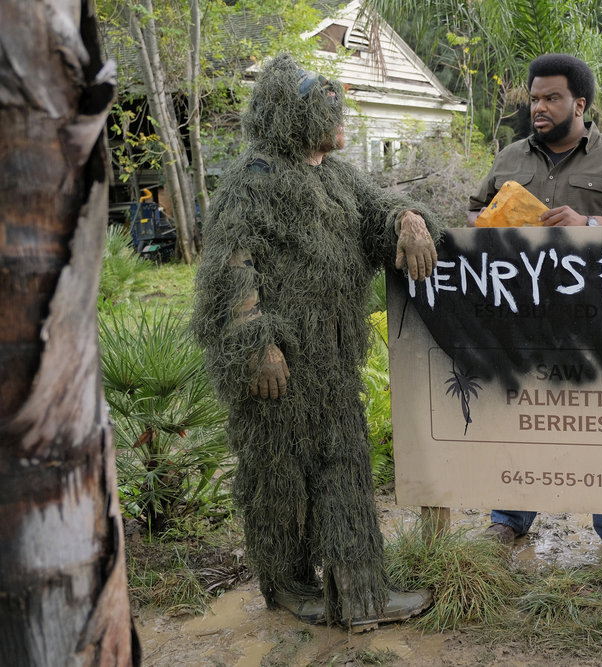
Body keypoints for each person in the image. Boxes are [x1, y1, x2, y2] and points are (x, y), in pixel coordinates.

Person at [192, 54, 439, 630]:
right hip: (280, 365)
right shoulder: (254, 178)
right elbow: (232, 262)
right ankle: (288, 587)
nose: (339, 116)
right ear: (289, 116)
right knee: (276, 477)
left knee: (346, 466)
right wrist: (255, 342)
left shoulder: (335, 174)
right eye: (324, 107)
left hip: (332, 362)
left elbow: (375, 213)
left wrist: (408, 219)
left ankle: (360, 593)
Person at [468, 53, 602, 547]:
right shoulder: (510, 158)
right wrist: (494, 224)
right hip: (525, 318)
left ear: (579, 103)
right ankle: (508, 518)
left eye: (551, 98)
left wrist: (589, 225)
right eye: (534, 98)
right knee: (524, 414)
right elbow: (473, 216)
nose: (539, 107)